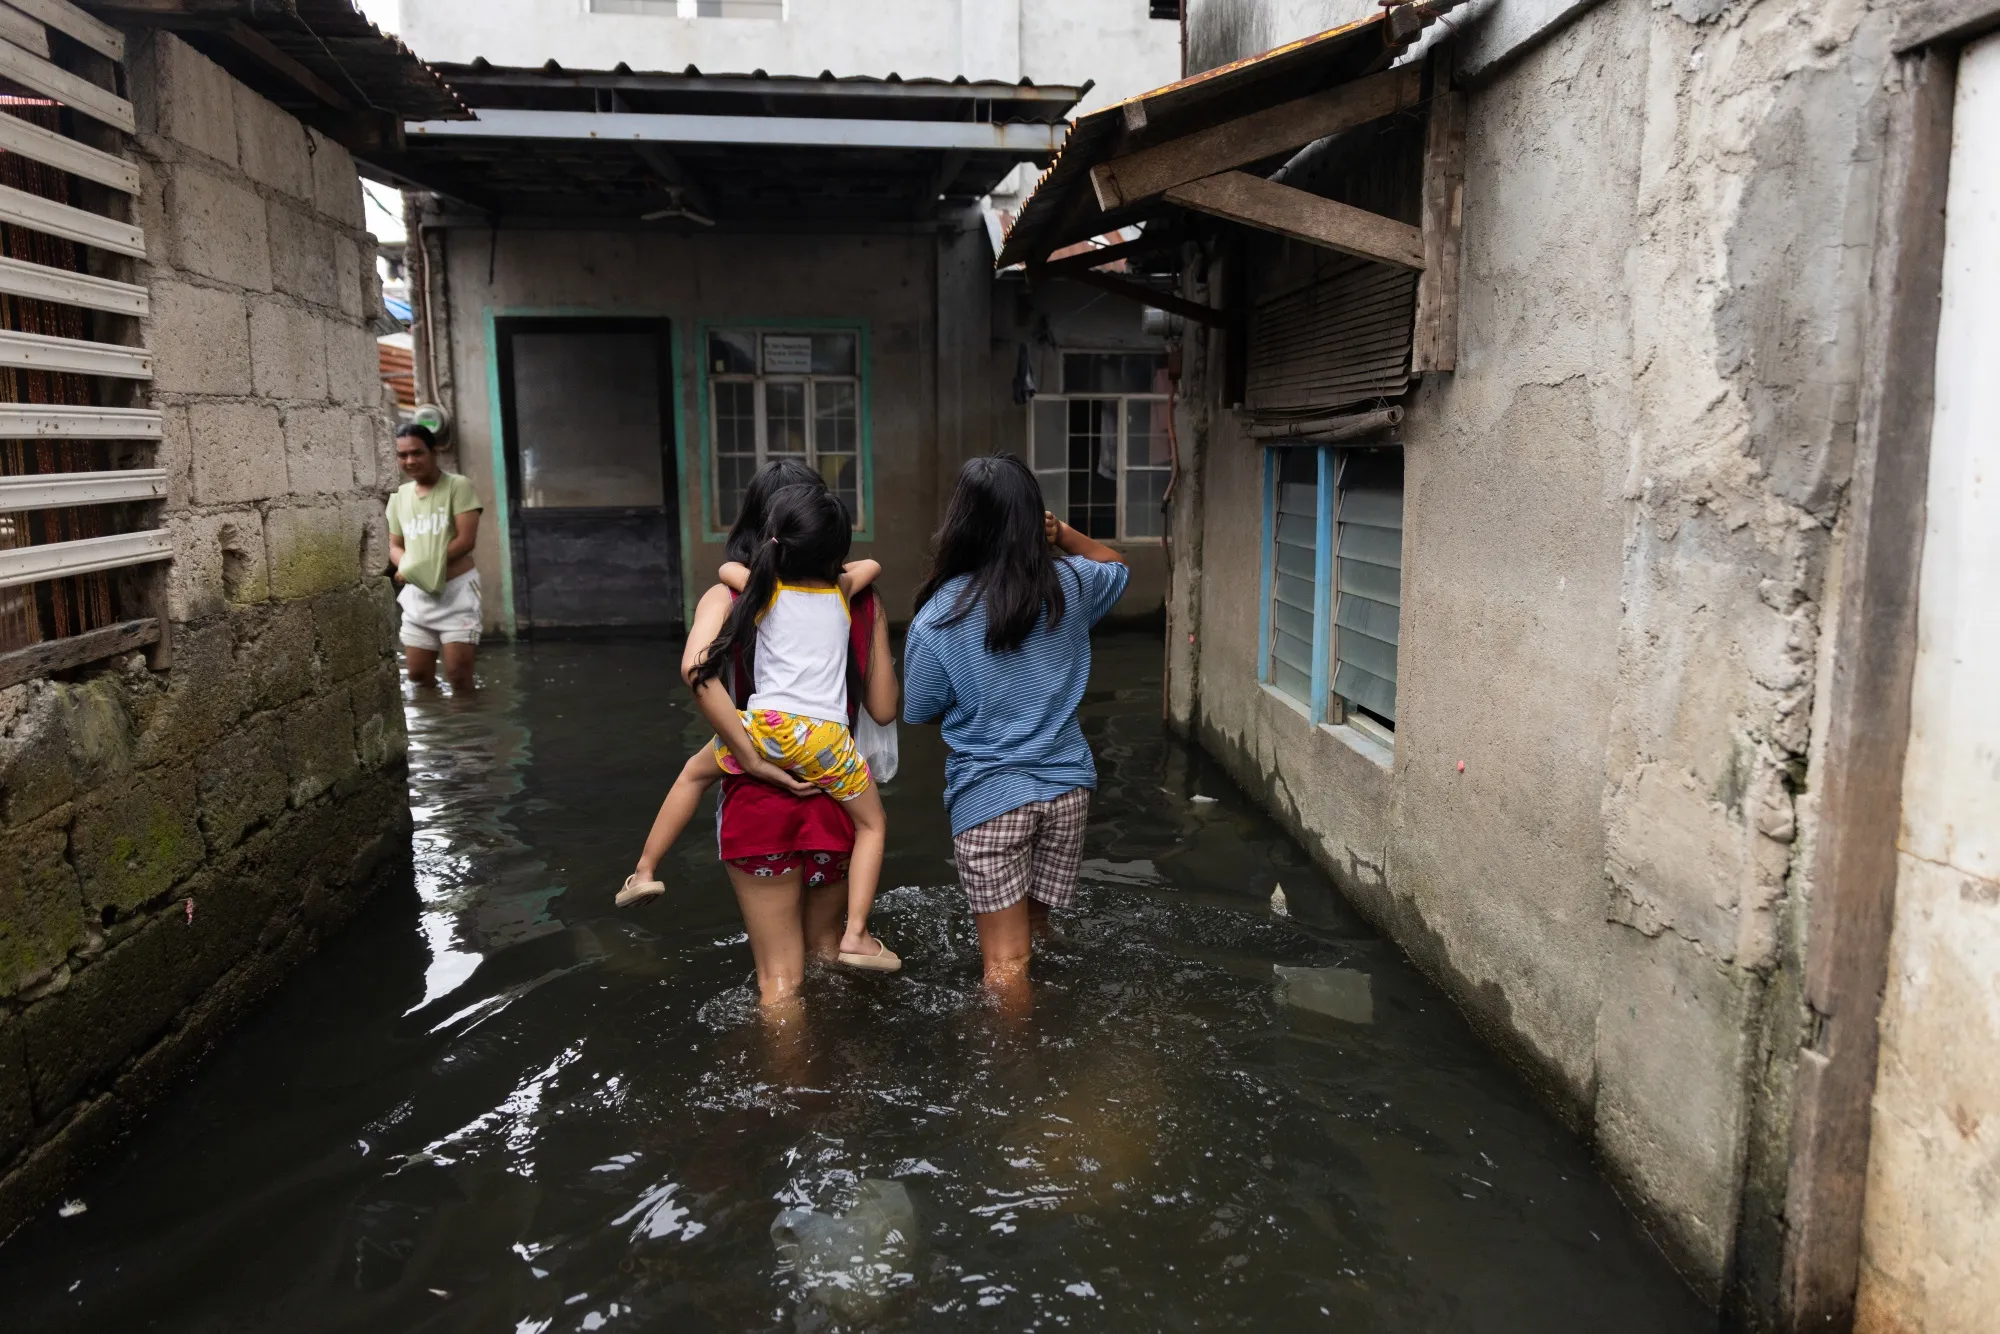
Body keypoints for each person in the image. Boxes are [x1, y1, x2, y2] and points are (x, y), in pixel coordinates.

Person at [621, 467, 902, 982]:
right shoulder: (855, 598)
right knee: (826, 954)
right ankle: (857, 945)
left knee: (779, 982)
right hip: (833, 790)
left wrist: (749, 756)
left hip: (758, 798)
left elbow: (698, 669)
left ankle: (644, 869)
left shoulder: (738, 594)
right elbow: (884, 710)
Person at [903, 454, 1129, 991]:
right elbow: (1116, 565)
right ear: (1035, 520)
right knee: (1037, 934)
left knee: (1004, 964)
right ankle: (1053, 1036)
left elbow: (920, 709)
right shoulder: (1070, 585)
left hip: (990, 799)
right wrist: (1064, 533)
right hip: (1068, 791)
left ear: (961, 524)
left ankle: (1018, 1071)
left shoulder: (938, 617)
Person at [386, 423, 482, 692]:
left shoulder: (458, 486)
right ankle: (434, 727)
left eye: (417, 453)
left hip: (457, 593)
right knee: (417, 677)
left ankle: (463, 729)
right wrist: (406, 565)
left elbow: (465, 540)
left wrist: (417, 567)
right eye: (402, 455)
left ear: (434, 452)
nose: (410, 461)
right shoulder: (399, 497)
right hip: (418, 596)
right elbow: (394, 544)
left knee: (459, 678)